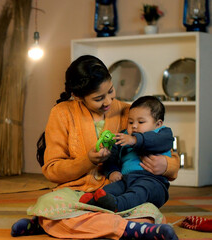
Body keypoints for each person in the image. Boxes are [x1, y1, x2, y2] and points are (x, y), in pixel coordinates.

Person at [11, 55, 180, 239]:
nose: (108, 101)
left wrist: (166, 165)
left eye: (111, 90)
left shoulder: (128, 112)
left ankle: (48, 222)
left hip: (120, 189)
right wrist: (88, 161)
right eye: (99, 98)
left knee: (147, 208)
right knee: (50, 202)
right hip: (77, 193)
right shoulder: (61, 113)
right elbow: (52, 170)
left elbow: (167, 150)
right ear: (78, 96)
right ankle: (130, 230)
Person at [79, 95, 174, 212]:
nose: (134, 126)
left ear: (158, 124)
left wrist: (135, 140)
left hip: (153, 182)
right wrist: (112, 171)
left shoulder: (163, 133)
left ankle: (118, 204)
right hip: (126, 179)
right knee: (110, 189)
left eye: (141, 122)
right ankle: (94, 201)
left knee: (140, 190)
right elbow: (112, 157)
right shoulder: (125, 136)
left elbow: (157, 142)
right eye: (130, 122)